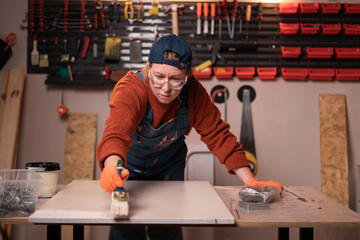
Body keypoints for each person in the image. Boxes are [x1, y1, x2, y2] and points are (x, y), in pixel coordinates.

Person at [96, 34, 283, 240]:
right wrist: (112, 166)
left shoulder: (193, 92)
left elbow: (217, 134)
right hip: (127, 167)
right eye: (158, 77)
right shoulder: (131, 88)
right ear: (148, 69)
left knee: (167, 225)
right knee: (126, 226)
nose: (166, 88)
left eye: (176, 79)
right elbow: (116, 132)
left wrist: (250, 181)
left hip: (168, 166)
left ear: (188, 76)